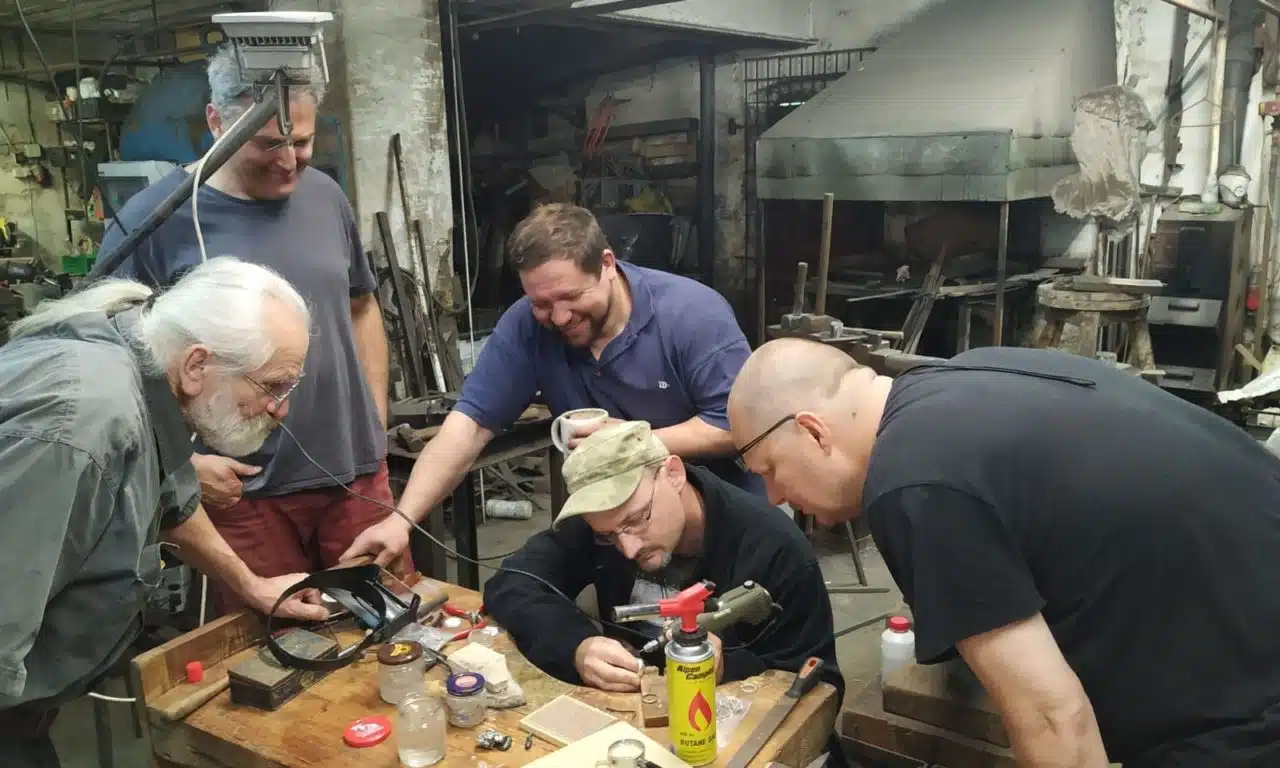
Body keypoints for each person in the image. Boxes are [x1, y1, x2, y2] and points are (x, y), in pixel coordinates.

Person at [727, 339, 1280, 768]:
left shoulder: (913, 483)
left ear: (814, 432)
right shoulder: (956, 379)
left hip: (1247, 693)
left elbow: (1055, 719)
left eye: (770, 470)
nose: (773, 498)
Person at [99, 43, 400, 611]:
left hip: (355, 478)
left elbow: (362, 306)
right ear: (217, 122)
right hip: (242, 495)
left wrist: (374, 418)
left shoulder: (326, 197)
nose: (288, 161)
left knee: (391, 627)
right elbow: (108, 367)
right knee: (274, 645)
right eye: (267, 143)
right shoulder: (155, 220)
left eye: (302, 142)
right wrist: (181, 467)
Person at [0, 257, 331, 766]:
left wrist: (251, 586)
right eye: (272, 386)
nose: (280, 409)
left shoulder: (141, 353)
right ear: (197, 365)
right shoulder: (84, 426)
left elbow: (171, 499)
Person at [343, 204, 760, 567]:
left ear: (607, 265)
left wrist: (632, 440)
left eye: (571, 296)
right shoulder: (526, 326)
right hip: (615, 530)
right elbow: (466, 428)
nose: (559, 318)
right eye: (541, 303)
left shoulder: (692, 316)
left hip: (718, 522)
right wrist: (401, 521)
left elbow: (739, 427)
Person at [483, 420, 843, 702]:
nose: (627, 548)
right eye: (609, 535)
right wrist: (576, 646)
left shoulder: (774, 548)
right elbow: (511, 582)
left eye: (637, 520)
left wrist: (727, 670)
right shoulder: (604, 523)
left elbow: (820, 687)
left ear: (673, 474)